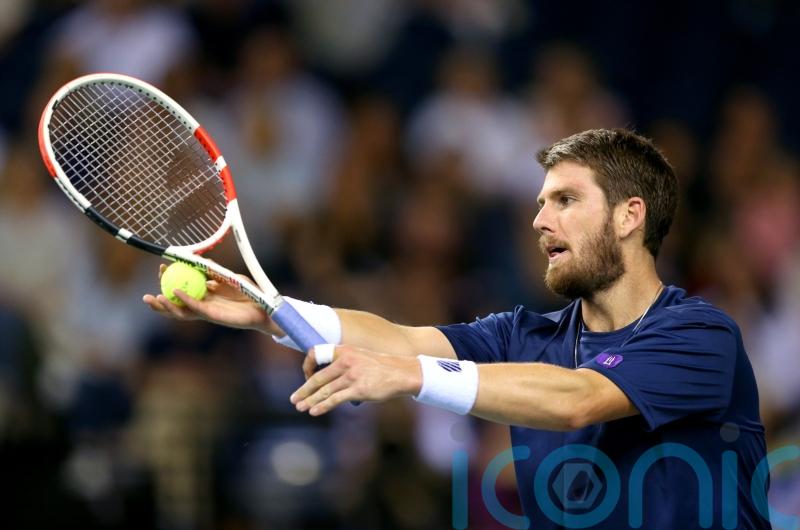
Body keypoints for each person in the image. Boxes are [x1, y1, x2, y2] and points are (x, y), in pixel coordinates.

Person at [143, 128, 771, 529]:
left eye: (565, 201)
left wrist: (408, 378)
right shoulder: (523, 333)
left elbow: (580, 400)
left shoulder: (700, 334)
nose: (539, 220)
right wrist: (268, 311)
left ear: (631, 216)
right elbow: (399, 338)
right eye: (538, 202)